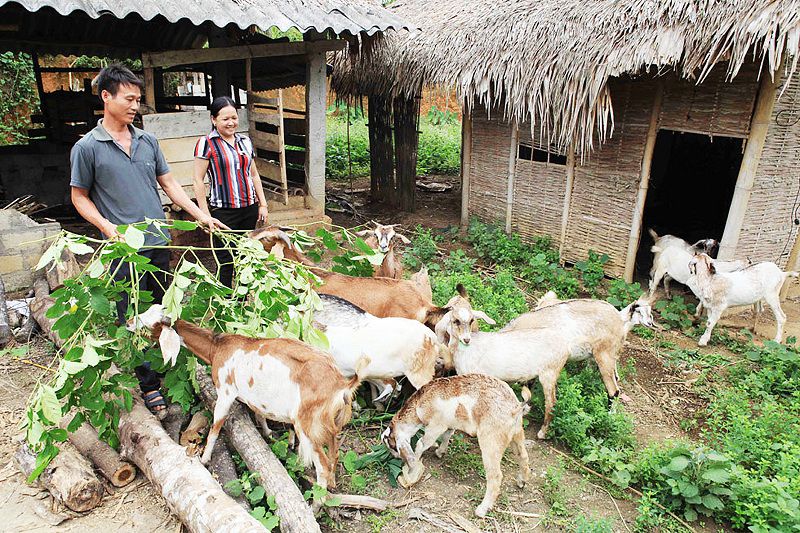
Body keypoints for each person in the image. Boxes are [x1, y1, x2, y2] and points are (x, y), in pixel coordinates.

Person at [70, 64, 226, 415]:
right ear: (105, 97)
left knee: (163, 309)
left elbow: (169, 184)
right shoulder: (87, 147)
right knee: (135, 314)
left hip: (159, 242)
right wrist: (108, 228)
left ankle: (168, 366)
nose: (135, 106)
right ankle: (148, 382)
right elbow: (79, 197)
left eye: (138, 99)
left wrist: (201, 215)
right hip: (125, 250)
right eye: (128, 98)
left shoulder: (147, 140)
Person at [192, 96, 269, 288]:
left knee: (246, 256)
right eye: (225, 119)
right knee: (225, 260)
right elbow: (197, 180)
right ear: (213, 120)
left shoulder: (245, 141)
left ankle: (242, 301)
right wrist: (205, 215)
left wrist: (263, 204)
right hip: (223, 213)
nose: (231, 122)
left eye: (234, 118)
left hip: (248, 208)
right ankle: (226, 304)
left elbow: (254, 175)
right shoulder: (206, 143)